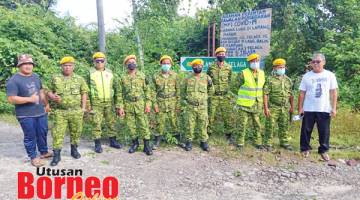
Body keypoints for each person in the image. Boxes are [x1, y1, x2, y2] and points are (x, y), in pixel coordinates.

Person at [6, 54, 52, 167]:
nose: (28, 66)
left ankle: (44, 152)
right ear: (19, 65)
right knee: (30, 136)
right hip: (25, 115)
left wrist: (46, 104)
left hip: (40, 112)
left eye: (30, 64)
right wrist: (29, 99)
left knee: (42, 132)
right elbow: (11, 99)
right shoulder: (13, 80)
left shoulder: (36, 76)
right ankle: (33, 157)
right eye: (25, 64)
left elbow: (41, 91)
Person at [46, 56, 89, 166]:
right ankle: (56, 155)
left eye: (70, 65)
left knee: (76, 132)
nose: (67, 68)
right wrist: (51, 96)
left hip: (76, 111)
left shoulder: (79, 79)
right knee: (57, 133)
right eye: (65, 65)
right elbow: (48, 90)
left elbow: (84, 93)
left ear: (73, 67)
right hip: (60, 111)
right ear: (61, 66)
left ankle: (74, 150)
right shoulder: (55, 78)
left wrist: (83, 108)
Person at [298, 53, 338, 161]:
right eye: (313, 61)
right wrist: (300, 108)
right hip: (309, 108)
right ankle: (305, 148)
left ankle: (323, 150)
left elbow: (334, 92)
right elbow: (302, 93)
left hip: (324, 108)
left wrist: (334, 108)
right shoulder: (306, 76)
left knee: (324, 131)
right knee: (306, 130)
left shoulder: (330, 75)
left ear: (324, 62)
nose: (315, 63)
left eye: (318, 61)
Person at [117, 55, 153, 155]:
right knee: (131, 126)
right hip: (128, 104)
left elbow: (147, 91)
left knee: (143, 124)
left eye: (133, 62)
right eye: (129, 63)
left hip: (140, 104)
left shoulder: (142, 76)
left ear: (136, 63)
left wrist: (148, 104)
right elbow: (119, 94)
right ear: (126, 65)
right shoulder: (122, 78)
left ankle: (146, 146)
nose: (131, 64)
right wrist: (120, 107)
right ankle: (135, 144)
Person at [88, 52, 122, 153]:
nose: (99, 63)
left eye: (101, 61)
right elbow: (86, 90)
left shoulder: (110, 73)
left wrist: (118, 104)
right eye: (97, 61)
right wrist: (88, 104)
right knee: (96, 123)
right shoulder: (90, 73)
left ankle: (113, 141)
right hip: (96, 103)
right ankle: (97, 144)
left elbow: (117, 89)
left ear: (105, 61)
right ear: (94, 62)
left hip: (109, 102)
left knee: (111, 122)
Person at [234, 53, 265, 150]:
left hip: (256, 104)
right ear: (249, 63)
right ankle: (240, 143)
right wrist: (241, 97)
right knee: (242, 124)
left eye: (257, 61)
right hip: (244, 105)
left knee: (257, 125)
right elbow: (234, 87)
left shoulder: (262, 73)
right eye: (253, 61)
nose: (255, 63)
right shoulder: (243, 73)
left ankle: (258, 143)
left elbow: (263, 88)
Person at [181, 59, 214, 151]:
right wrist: (187, 100)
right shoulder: (187, 78)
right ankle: (189, 141)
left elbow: (211, 90)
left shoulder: (207, 78)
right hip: (190, 106)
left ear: (202, 66)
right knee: (189, 124)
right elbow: (182, 91)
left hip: (202, 106)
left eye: (199, 65)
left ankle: (203, 141)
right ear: (192, 67)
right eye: (195, 65)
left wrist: (205, 98)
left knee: (203, 123)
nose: (197, 67)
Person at [263, 58, 294, 151]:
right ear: (275, 68)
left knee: (284, 125)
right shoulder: (270, 79)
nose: (281, 69)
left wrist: (292, 106)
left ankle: (284, 142)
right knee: (270, 126)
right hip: (273, 107)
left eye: (283, 67)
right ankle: (268, 143)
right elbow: (265, 94)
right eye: (279, 67)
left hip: (284, 107)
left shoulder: (288, 80)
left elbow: (291, 94)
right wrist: (266, 108)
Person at [151, 55, 181, 149]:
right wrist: (154, 105)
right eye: (164, 63)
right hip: (160, 102)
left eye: (168, 63)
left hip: (172, 102)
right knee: (159, 122)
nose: (166, 65)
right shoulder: (156, 76)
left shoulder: (175, 76)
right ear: (161, 64)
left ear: (171, 64)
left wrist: (178, 105)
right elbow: (152, 92)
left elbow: (178, 91)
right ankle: (157, 140)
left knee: (174, 121)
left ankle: (178, 140)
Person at [207, 47, 234, 142]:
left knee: (227, 115)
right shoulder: (211, 67)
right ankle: (208, 133)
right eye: (220, 54)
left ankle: (229, 134)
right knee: (211, 115)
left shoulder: (229, 67)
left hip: (225, 95)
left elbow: (230, 80)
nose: (222, 55)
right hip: (214, 96)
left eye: (223, 54)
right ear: (216, 55)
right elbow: (208, 80)